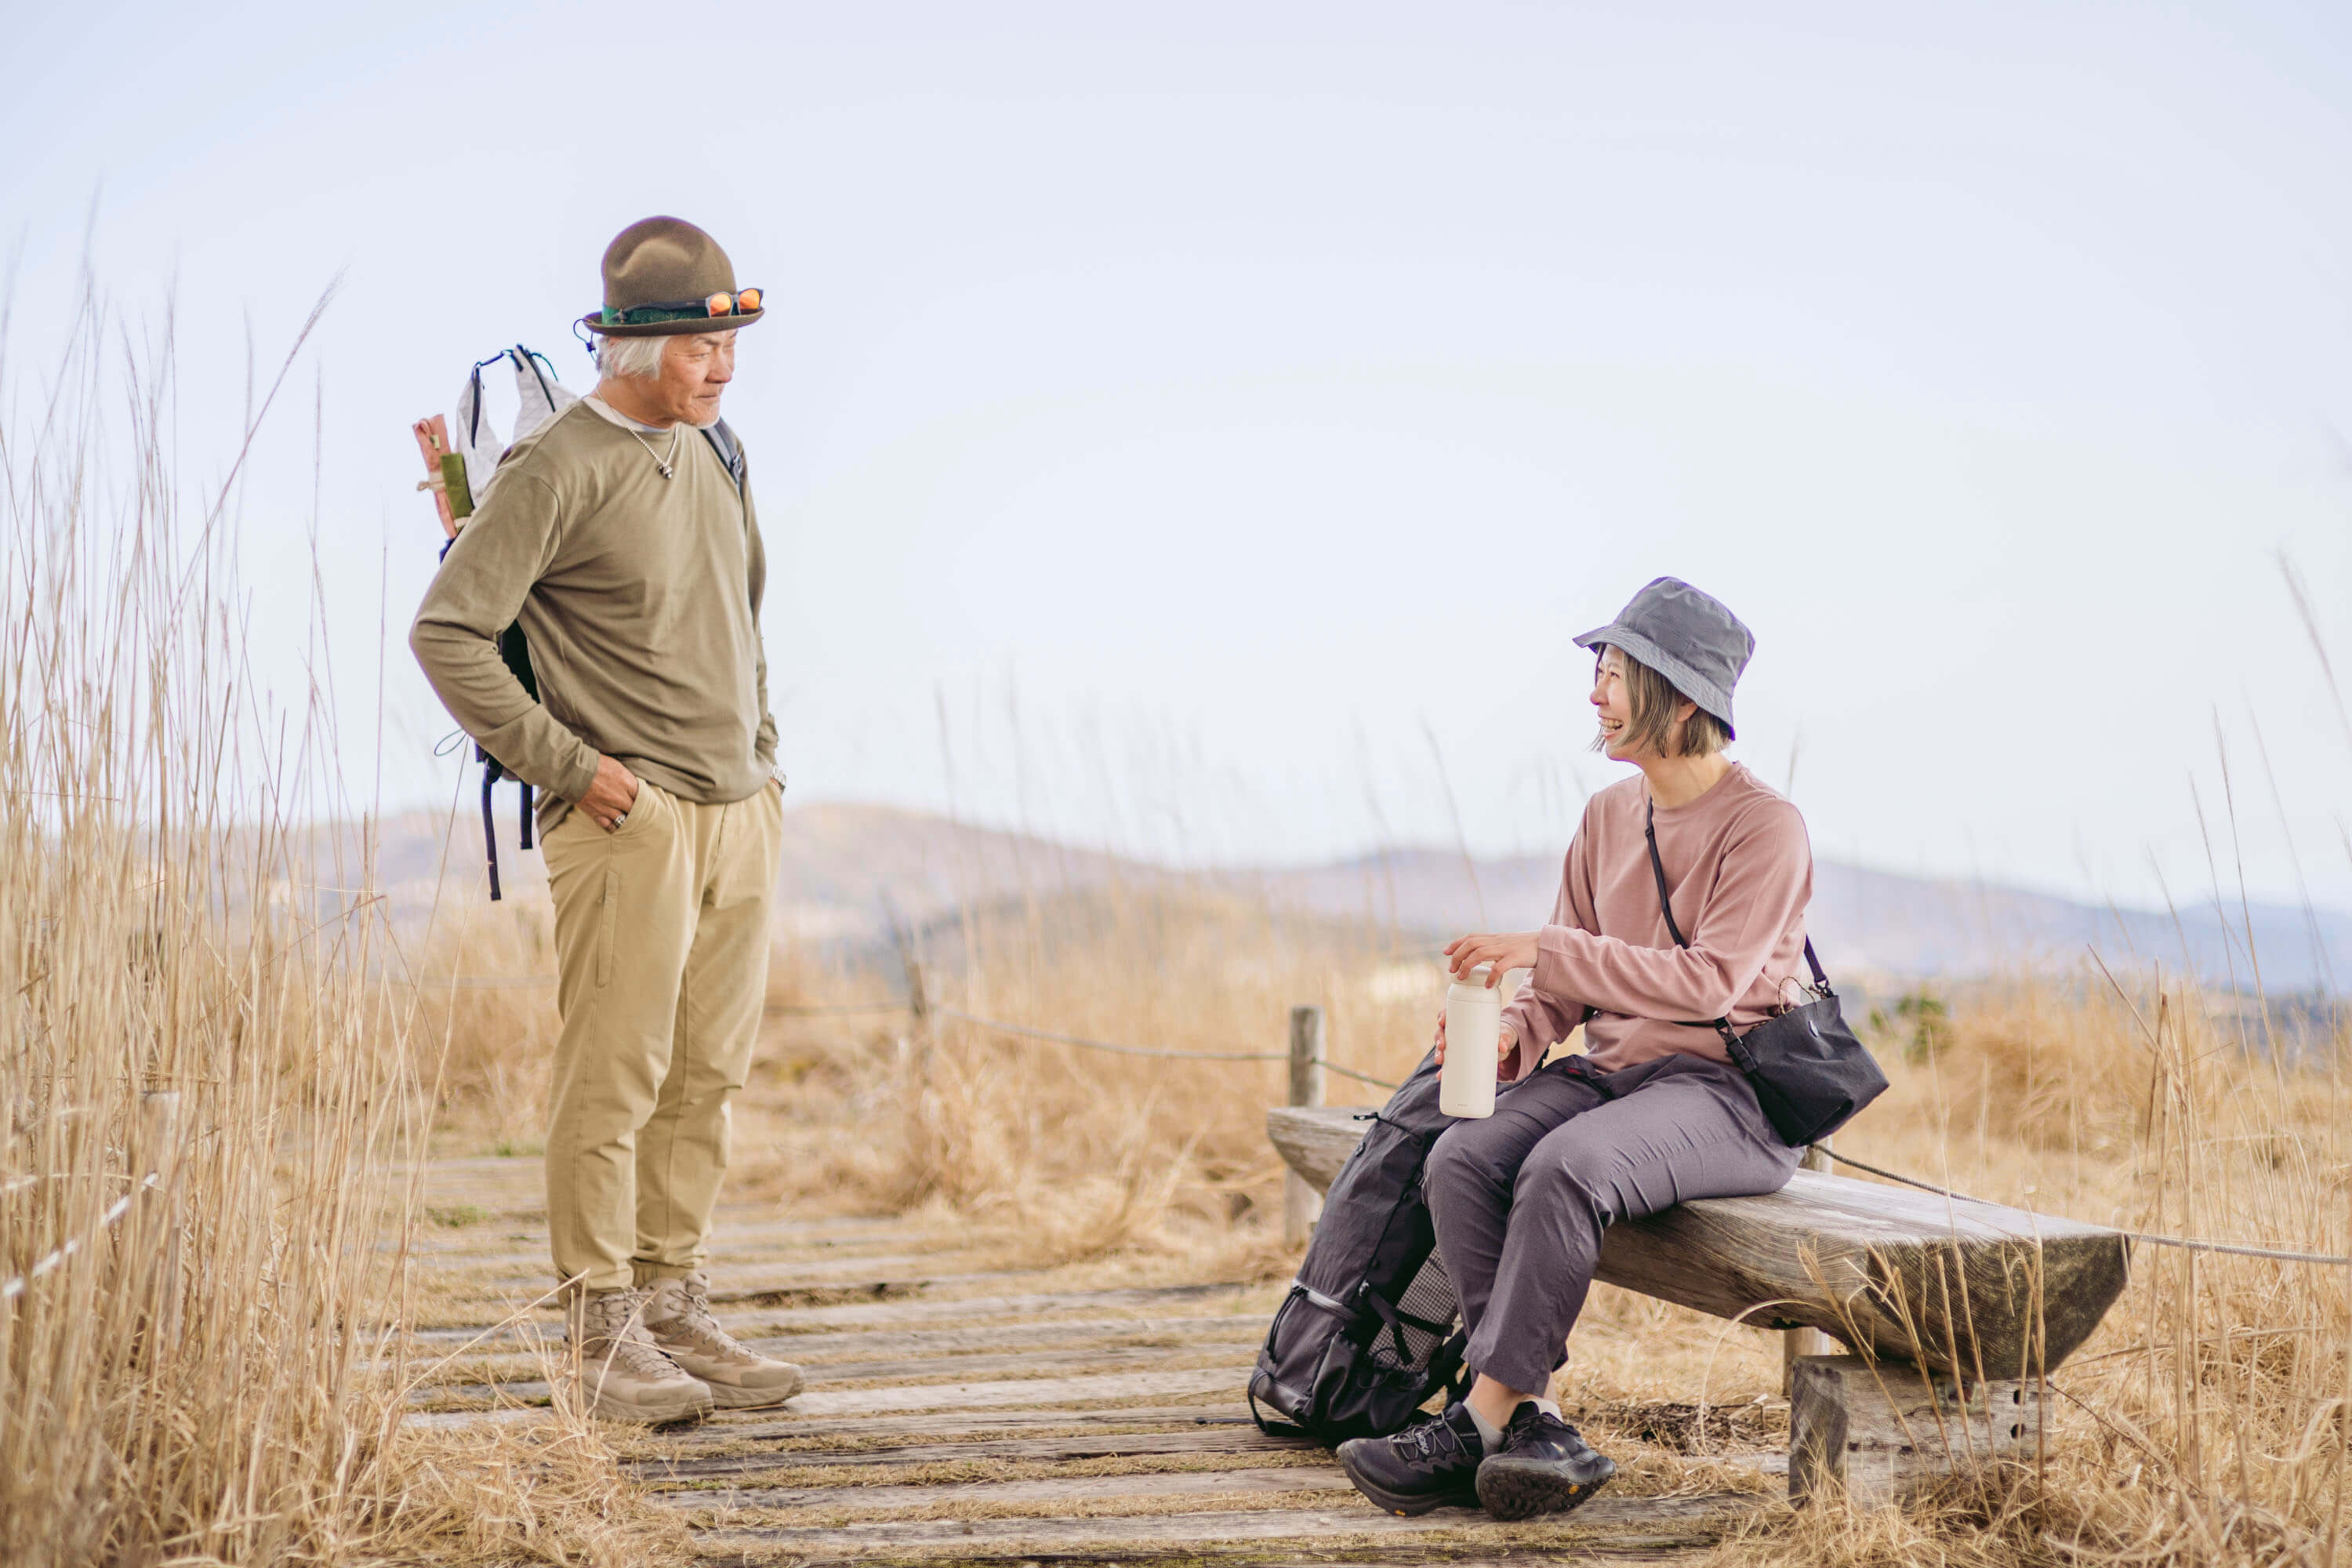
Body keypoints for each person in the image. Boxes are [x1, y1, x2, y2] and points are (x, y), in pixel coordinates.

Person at [410, 216, 802, 1424]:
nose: (723, 366)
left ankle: (671, 1304)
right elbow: (448, 633)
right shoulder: (559, 468)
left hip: (740, 813)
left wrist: (766, 760)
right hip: (628, 819)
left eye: (730, 341)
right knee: (615, 1074)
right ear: (630, 346)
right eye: (700, 345)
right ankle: (595, 1332)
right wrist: (575, 771)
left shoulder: (720, 448)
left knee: (706, 1076)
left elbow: (741, 618)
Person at [1338, 577, 1809, 1520]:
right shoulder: (1606, 816)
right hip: (1615, 1077)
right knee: (1464, 1152)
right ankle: (1535, 1421)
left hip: (1727, 1097)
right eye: (1599, 665)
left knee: (1564, 1164)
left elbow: (1711, 982)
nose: (1595, 686)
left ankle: (1473, 1419)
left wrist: (1545, 948)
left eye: (1616, 668)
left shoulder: (1765, 827)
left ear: (1678, 695)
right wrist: (1517, 1034)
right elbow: (1562, 989)